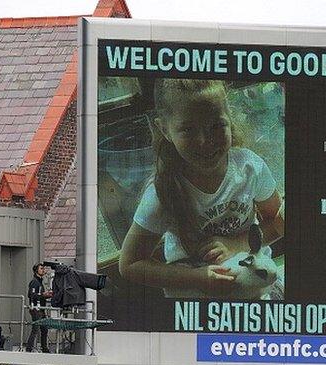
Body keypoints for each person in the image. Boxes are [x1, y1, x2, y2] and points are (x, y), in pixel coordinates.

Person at [117, 79, 284, 300]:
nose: (205, 141)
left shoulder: (250, 168)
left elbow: (277, 221)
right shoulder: (163, 192)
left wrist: (237, 244)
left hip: (255, 285)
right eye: (188, 129)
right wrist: (197, 278)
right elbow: (130, 264)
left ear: (229, 119)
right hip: (196, 298)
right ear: (165, 130)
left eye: (217, 126)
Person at [26, 263, 51, 353]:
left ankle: (44, 348)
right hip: (36, 309)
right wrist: (42, 294)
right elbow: (31, 294)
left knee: (44, 329)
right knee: (35, 329)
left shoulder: (40, 282)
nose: (43, 270)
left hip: (41, 309)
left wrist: (46, 295)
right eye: (41, 268)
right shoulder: (34, 282)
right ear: (36, 270)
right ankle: (29, 348)